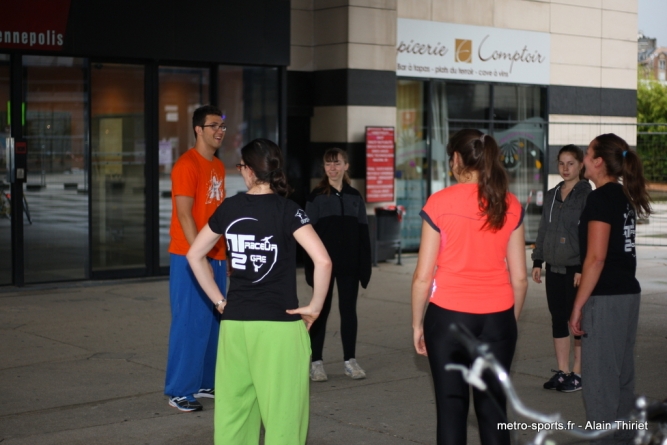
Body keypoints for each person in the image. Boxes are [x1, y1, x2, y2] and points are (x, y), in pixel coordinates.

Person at [186, 139, 332, 444]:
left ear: (249, 170)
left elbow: (194, 255)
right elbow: (323, 260)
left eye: (241, 166)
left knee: (233, 415)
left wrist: (219, 301)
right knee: (283, 416)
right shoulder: (288, 210)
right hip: (278, 328)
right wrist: (315, 306)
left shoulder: (230, 208)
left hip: (235, 326)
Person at [411, 129, 528, 445]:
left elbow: (423, 276)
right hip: (498, 318)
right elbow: (519, 277)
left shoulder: (439, 203)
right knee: (494, 412)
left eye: (451, 156)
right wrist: (508, 321)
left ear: (458, 159)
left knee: (452, 410)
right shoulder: (509, 203)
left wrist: (417, 324)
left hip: (448, 319)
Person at [569, 134, 652, 444]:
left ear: (599, 161)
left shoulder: (601, 198)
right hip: (628, 294)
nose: (584, 159)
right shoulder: (623, 196)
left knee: (601, 384)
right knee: (621, 381)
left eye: (588, 153)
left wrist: (578, 305)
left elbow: (596, 257)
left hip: (607, 299)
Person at [164, 105, 227, 412]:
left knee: (214, 321)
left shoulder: (217, 165)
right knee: (189, 322)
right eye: (213, 125)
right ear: (198, 130)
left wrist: (221, 257)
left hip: (216, 254)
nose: (219, 131)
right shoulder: (186, 165)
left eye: (223, 126)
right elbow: (185, 215)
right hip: (189, 257)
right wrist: (198, 258)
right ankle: (179, 389)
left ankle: (204, 381)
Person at [304, 147, 372, 381]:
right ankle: (316, 362)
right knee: (320, 312)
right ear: (324, 168)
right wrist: (310, 266)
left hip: (349, 265)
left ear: (346, 166)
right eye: (328, 164)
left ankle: (350, 360)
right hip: (324, 266)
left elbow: (364, 234)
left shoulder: (355, 197)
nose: (332, 168)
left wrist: (365, 266)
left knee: (348, 311)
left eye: (337, 163)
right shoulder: (316, 197)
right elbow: (306, 234)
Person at [532, 144, 591, 393]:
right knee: (557, 319)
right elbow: (544, 229)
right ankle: (563, 370)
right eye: (561, 163)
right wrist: (538, 260)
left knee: (575, 321)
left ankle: (578, 372)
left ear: (581, 165)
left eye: (571, 163)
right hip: (553, 268)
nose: (565, 168)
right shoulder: (551, 195)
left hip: (575, 269)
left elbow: (588, 233)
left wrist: (581, 266)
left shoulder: (588, 195)